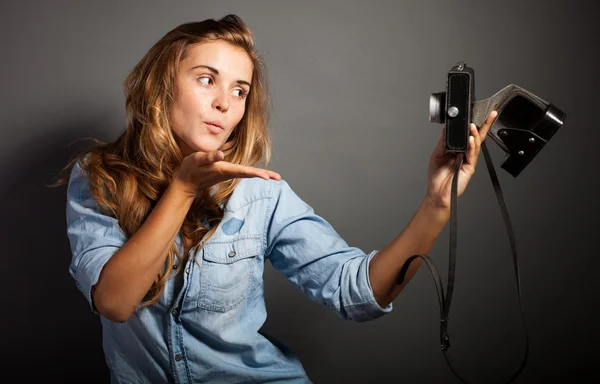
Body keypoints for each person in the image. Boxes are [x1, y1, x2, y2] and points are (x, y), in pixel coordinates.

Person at [52, 14, 497, 384]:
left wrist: (437, 205)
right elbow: (114, 301)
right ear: (160, 86)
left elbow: (357, 292)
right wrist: (183, 190)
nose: (225, 104)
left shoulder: (260, 194)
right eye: (207, 79)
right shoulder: (101, 177)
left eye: (240, 90)